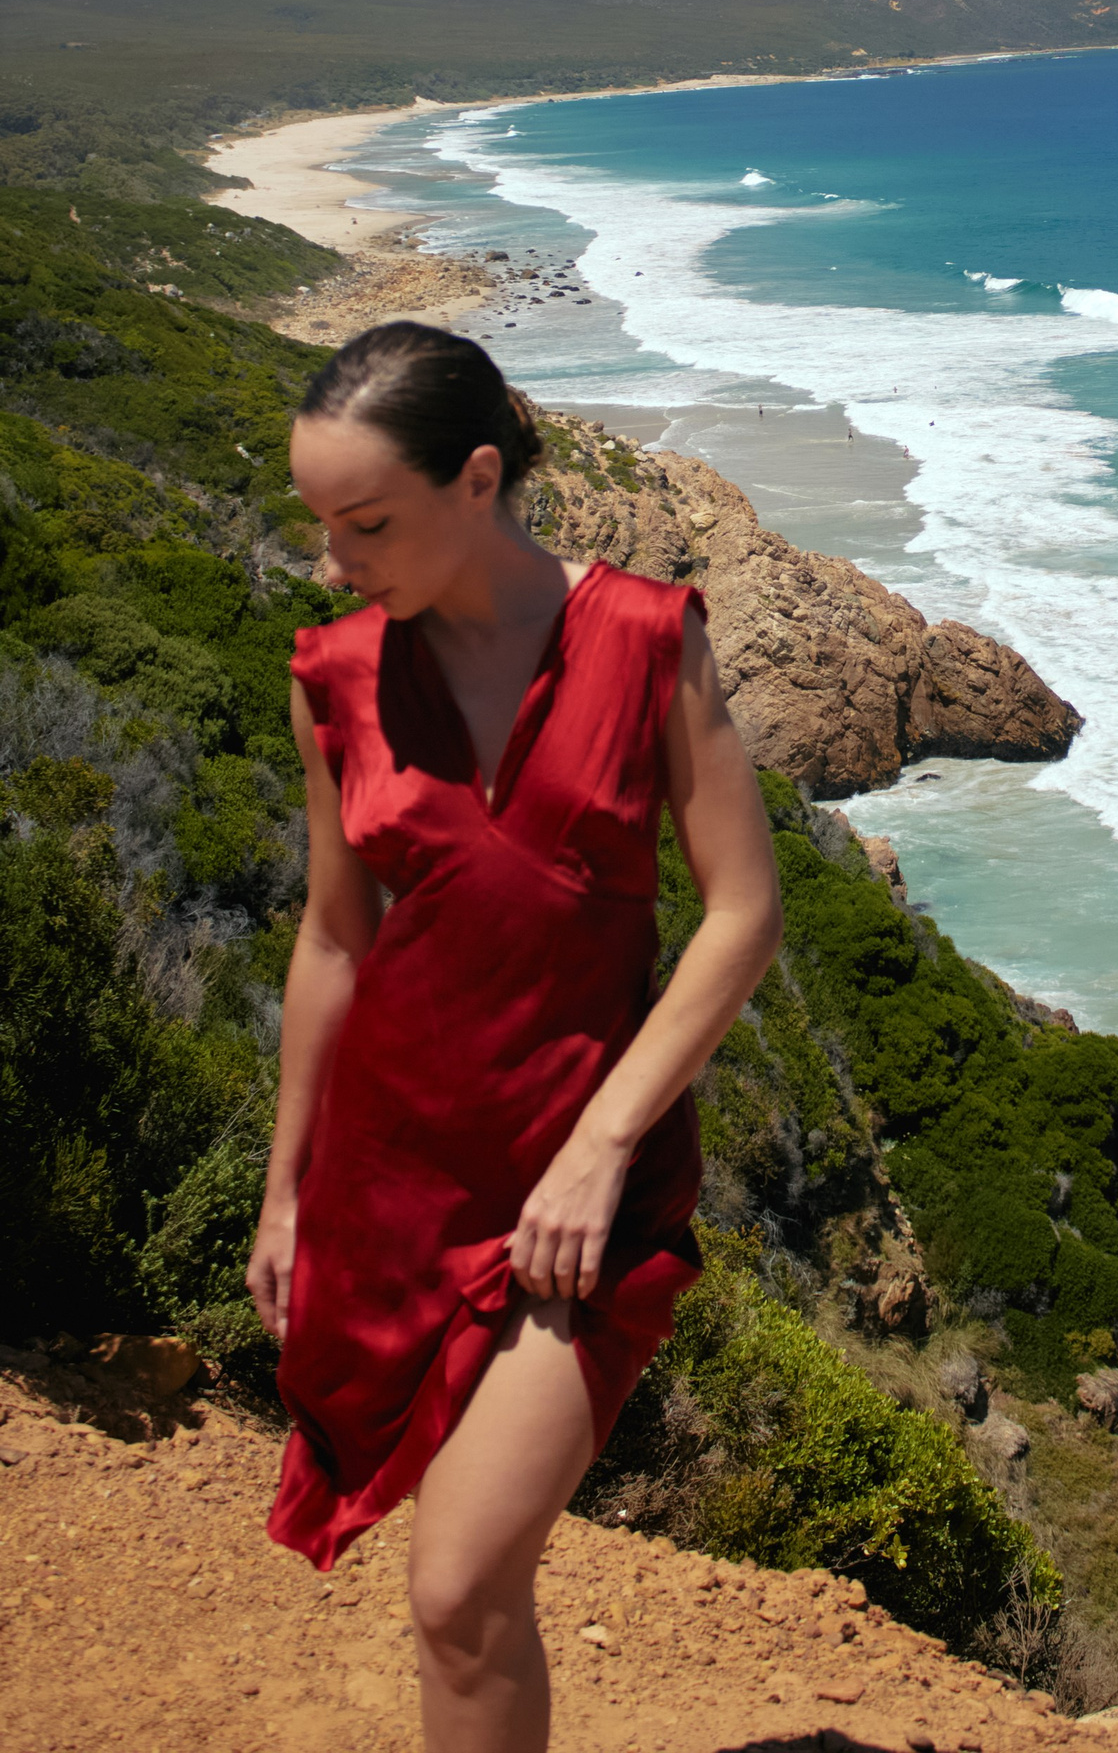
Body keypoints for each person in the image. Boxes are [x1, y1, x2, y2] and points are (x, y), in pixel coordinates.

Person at [246, 322, 782, 1752]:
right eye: (322, 524)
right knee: (462, 1610)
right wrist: (288, 1193)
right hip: (391, 1188)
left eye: (368, 524)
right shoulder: (333, 677)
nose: (335, 561)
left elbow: (743, 915)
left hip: (583, 1197)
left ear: (478, 479)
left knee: (459, 1582)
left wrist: (602, 1148)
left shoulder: (646, 639)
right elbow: (334, 940)